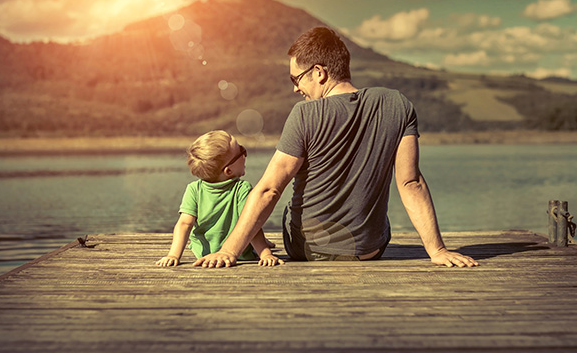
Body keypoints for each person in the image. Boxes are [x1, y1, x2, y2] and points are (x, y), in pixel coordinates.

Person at [194, 27, 478, 268]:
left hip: (309, 251)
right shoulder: (397, 104)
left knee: (288, 209)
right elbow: (411, 182)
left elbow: (270, 189)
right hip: (369, 251)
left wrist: (229, 250)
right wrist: (437, 250)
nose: (295, 88)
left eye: (296, 79)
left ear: (318, 73)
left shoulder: (304, 115)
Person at [156, 130, 283, 267]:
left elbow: (184, 224)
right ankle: (259, 245)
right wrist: (265, 254)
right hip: (240, 253)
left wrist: (173, 255)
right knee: (251, 228)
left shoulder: (194, 189)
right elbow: (252, 225)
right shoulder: (242, 189)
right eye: (242, 151)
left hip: (203, 254)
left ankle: (261, 243)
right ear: (228, 171)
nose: (245, 155)